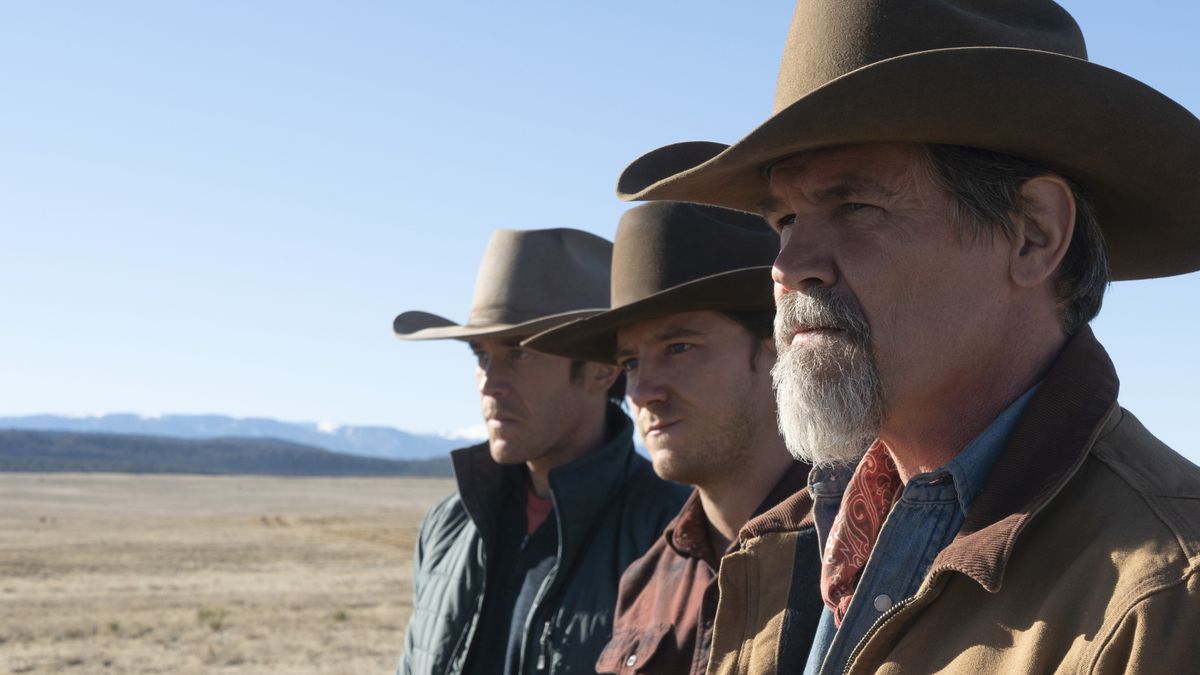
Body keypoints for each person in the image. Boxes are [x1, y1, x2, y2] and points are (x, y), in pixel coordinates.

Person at [614, 1, 1200, 673]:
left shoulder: (1166, 597)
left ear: (1033, 233)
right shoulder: (786, 543)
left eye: (854, 206)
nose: (786, 266)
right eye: (783, 220)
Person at [525, 202, 822, 675]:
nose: (643, 392)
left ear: (777, 344)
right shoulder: (649, 581)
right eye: (631, 363)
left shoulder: (856, 554)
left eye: (679, 348)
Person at [392, 228, 688, 675]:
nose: (490, 382)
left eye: (518, 354)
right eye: (481, 355)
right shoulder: (448, 525)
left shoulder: (670, 534)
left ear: (600, 372)